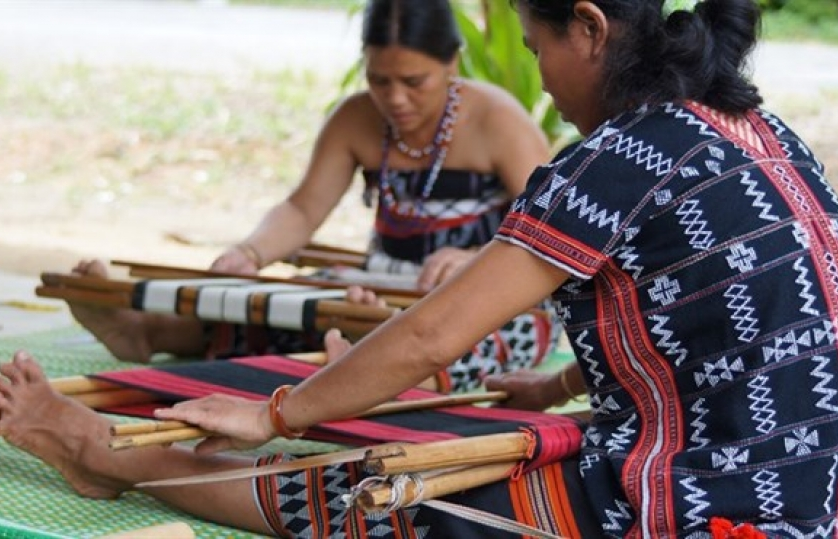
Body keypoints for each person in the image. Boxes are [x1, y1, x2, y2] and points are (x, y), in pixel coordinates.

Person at [4, 0, 837, 536]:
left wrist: (280, 412)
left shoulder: (618, 154)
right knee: (478, 437)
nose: (543, 83)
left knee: (384, 495)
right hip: (809, 469)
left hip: (713, 495)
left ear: (589, 28)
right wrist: (549, 392)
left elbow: (436, 332)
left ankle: (102, 451)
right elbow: (747, 322)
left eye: (536, 46)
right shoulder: (764, 133)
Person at [65, 0, 559, 394]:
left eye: (414, 82)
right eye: (379, 80)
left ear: (450, 63)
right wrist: (250, 253)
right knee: (290, 302)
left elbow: (549, 232)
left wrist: (473, 259)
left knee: (471, 339)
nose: (396, 99)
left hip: (485, 298)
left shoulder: (498, 119)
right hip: (379, 287)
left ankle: (370, 378)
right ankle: (144, 332)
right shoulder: (356, 118)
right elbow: (303, 209)